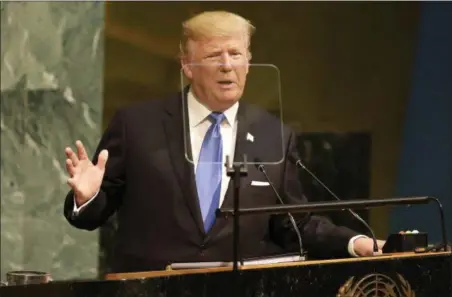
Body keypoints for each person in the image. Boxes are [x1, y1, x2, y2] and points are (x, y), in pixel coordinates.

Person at [63, 10, 383, 273]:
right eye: (215, 55)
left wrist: (355, 242)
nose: (227, 65)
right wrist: (87, 198)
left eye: (236, 54)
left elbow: (293, 223)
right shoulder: (136, 125)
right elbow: (95, 213)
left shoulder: (274, 136)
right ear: (187, 65)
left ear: (248, 61)